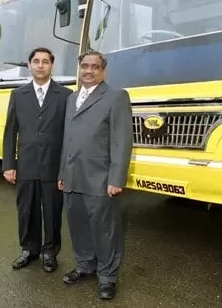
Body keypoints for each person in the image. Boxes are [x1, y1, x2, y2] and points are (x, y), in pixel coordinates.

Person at [58, 50, 133, 300]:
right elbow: (67, 139)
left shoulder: (116, 97)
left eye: (95, 67)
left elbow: (121, 142)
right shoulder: (72, 98)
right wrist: (62, 173)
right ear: (79, 68)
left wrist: (116, 179)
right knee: (78, 226)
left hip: (100, 179)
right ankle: (85, 266)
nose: (89, 71)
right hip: (72, 176)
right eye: (85, 66)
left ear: (103, 71)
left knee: (105, 230)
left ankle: (108, 277)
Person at [2, 47, 72, 272]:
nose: (41, 65)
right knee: (27, 209)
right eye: (36, 61)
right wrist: (9, 165)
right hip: (26, 165)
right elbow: (10, 131)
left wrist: (65, 168)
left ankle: (50, 252)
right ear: (30, 65)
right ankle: (29, 249)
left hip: (53, 166)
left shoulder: (65, 95)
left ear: (52, 65)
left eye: (45, 61)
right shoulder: (18, 95)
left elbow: (70, 134)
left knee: (52, 212)